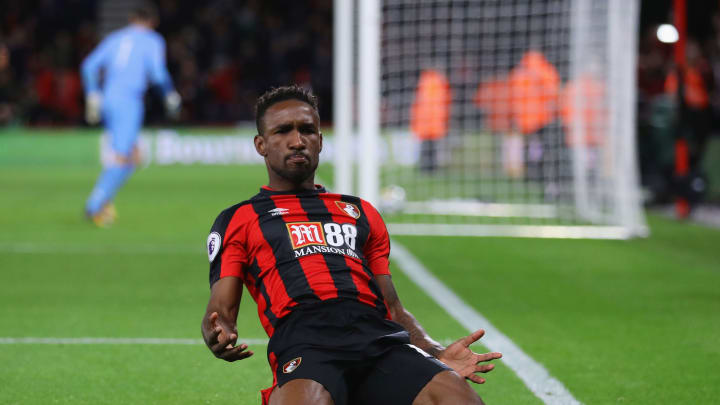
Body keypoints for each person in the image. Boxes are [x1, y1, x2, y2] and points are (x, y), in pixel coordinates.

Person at [201, 85, 502, 405]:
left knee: (460, 400)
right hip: (307, 342)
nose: (297, 140)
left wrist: (435, 351)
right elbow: (220, 310)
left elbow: (393, 307)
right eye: (282, 131)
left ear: (320, 140)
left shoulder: (360, 212)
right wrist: (216, 333)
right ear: (261, 144)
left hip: (380, 341)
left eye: (307, 130)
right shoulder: (240, 219)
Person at [81, 3, 180, 226]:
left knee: (134, 157)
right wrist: (170, 94)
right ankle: (95, 205)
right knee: (122, 155)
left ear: (131, 19)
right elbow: (157, 72)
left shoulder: (115, 38)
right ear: (152, 22)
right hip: (128, 102)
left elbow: (88, 66)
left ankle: (103, 200)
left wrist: (92, 95)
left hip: (108, 98)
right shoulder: (153, 40)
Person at [410, 69, 451, 173]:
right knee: (431, 147)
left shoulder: (424, 81)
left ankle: (426, 168)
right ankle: (431, 168)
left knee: (427, 147)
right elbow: (447, 100)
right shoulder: (440, 81)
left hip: (425, 122)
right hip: (434, 122)